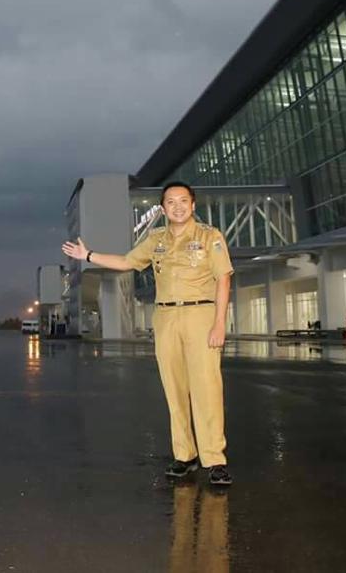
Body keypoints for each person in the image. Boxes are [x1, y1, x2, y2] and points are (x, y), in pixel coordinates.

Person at [62, 182, 234, 486]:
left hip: (200, 314)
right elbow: (127, 262)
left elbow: (223, 280)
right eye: (170, 202)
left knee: (207, 388)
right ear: (163, 208)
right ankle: (185, 456)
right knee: (174, 389)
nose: (177, 206)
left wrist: (220, 323)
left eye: (183, 201)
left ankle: (215, 460)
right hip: (166, 316)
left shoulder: (210, 237)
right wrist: (88, 255)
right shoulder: (156, 240)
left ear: (193, 205)